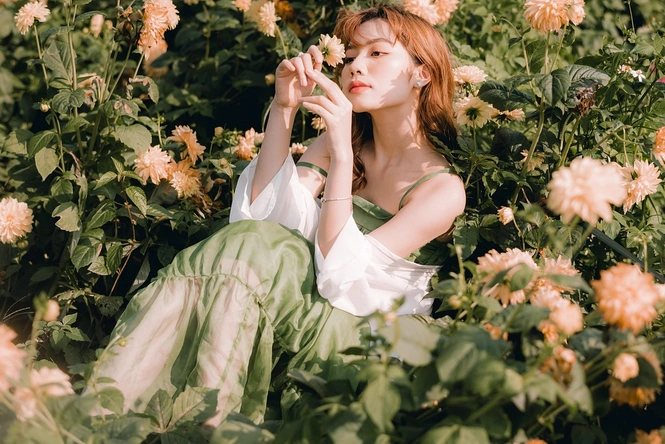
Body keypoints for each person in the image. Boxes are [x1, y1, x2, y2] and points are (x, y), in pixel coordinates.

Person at [87, 5, 465, 427]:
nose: (356, 66)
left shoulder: (441, 189)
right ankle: (141, 416)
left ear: (422, 73)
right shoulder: (345, 145)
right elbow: (266, 222)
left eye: (377, 53)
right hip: (307, 308)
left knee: (252, 249)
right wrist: (284, 110)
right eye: (351, 55)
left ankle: (189, 420)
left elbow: (341, 276)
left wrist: (341, 156)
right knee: (248, 243)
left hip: (363, 338)